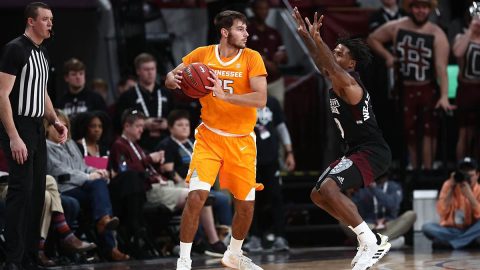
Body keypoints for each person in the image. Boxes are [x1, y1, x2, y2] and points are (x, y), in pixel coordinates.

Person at [165, 10, 267, 270]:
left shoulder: (252, 58)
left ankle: (233, 253)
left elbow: (260, 99)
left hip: (242, 141)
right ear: (225, 32)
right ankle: (184, 261)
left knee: (245, 206)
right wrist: (171, 79)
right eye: (241, 29)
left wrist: (226, 97)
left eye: (246, 29)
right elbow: (172, 77)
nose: (247, 33)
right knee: (196, 196)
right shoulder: (202, 54)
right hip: (209, 137)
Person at [292, 7, 391, 270]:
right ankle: (373, 238)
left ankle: (368, 241)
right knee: (317, 195)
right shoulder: (337, 78)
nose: (334, 55)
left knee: (328, 188)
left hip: (372, 151)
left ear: (351, 64)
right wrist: (307, 37)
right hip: (357, 150)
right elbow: (324, 64)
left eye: (340, 53)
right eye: (334, 51)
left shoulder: (350, 84)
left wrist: (318, 40)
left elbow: (328, 65)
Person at [0, 2, 68, 269]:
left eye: (51, 19)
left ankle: (30, 256)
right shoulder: (15, 49)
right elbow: (2, 95)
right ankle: (13, 259)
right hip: (18, 126)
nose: (50, 24)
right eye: (45, 19)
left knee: (38, 193)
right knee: (22, 191)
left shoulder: (42, 52)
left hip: (37, 128)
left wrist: (54, 120)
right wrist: (14, 136)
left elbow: (41, 92)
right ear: (31, 21)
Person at [109, 109, 227, 258]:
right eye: (138, 126)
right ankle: (204, 241)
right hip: (149, 191)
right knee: (197, 195)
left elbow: (146, 169)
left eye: (142, 126)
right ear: (127, 126)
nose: (142, 129)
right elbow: (126, 173)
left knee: (202, 192)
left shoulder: (136, 146)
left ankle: (210, 240)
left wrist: (157, 166)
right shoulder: (120, 145)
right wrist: (150, 159)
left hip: (164, 185)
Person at [367, 0, 455, 170]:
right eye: (417, 7)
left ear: (429, 9)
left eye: (424, 7)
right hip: (404, 88)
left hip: (428, 88)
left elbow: (441, 69)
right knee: (410, 131)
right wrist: (388, 57)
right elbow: (372, 38)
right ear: (411, 8)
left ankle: (427, 170)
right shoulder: (397, 26)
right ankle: (413, 168)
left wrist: (444, 96)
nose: (420, 11)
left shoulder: (437, 34)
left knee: (429, 131)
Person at [45, 109, 129, 261]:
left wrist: (98, 171)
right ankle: (108, 242)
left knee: (100, 185)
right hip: (62, 189)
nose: (60, 129)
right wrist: (88, 176)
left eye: (64, 126)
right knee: (98, 190)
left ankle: (104, 225)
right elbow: (60, 172)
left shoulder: (70, 144)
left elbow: (82, 166)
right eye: (55, 125)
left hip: (80, 186)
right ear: (46, 127)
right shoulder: (45, 146)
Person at [157, 110, 233, 252]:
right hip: (181, 185)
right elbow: (168, 170)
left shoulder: (193, 143)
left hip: (201, 183)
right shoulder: (167, 144)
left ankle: (226, 236)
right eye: (180, 125)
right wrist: (186, 182)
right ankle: (207, 241)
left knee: (224, 198)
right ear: (171, 128)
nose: (185, 127)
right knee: (206, 196)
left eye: (187, 124)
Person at [243, 95, 295, 252]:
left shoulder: (272, 101)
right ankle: (254, 238)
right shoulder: (241, 100)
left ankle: (280, 237)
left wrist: (289, 151)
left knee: (276, 196)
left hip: (271, 158)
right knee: (250, 198)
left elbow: (281, 126)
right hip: (247, 158)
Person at [115, 53, 174, 152]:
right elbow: (119, 122)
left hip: (165, 143)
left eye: (153, 69)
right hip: (139, 145)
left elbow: (175, 116)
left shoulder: (166, 93)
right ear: (138, 71)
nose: (150, 73)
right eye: (146, 69)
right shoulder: (128, 96)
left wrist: (168, 123)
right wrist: (143, 124)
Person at [343, 172, 417, 249]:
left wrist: (374, 189)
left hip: (389, 224)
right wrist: (349, 195)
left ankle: (374, 242)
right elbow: (353, 209)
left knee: (411, 215)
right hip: (369, 226)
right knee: (343, 219)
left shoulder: (394, 186)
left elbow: (392, 205)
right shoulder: (363, 188)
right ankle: (386, 242)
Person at [422, 157, 480, 249]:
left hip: (471, 228)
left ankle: (452, 243)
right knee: (427, 227)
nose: (467, 178)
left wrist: (470, 196)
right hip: (451, 230)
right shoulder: (448, 185)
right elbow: (442, 211)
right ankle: (466, 241)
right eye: (464, 174)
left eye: (470, 175)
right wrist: (451, 188)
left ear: (477, 175)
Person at [247, 0, 288, 108]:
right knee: (257, 114)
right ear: (253, 10)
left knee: (278, 107)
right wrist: (263, 61)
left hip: (275, 80)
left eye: (265, 8)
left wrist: (282, 55)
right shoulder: (246, 32)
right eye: (260, 8)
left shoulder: (274, 32)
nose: (263, 12)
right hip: (255, 82)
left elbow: (285, 58)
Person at [452, 6, 480, 161]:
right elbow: (457, 52)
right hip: (466, 88)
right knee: (465, 132)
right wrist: (471, 30)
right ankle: (460, 168)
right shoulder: (462, 36)